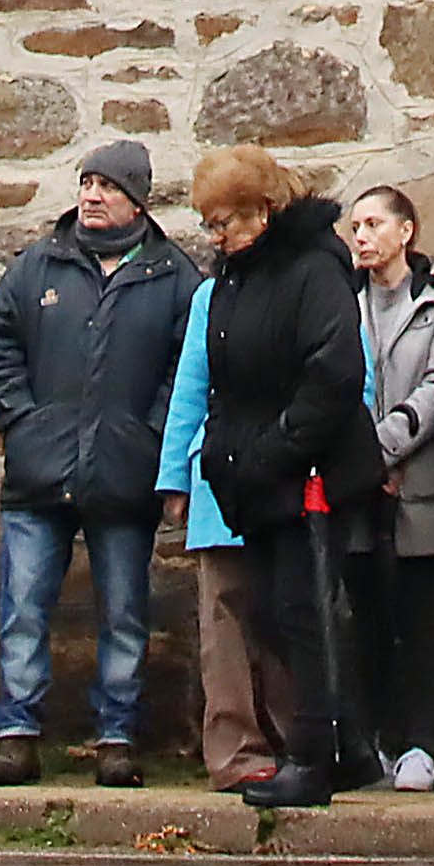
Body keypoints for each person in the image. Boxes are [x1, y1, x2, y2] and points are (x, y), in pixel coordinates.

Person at [0, 139, 197, 790]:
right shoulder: (38, 265)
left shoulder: (173, 275)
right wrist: (25, 420)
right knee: (22, 609)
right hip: (39, 478)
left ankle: (117, 739)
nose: (92, 196)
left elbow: (187, 373)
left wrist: (148, 437)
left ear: (137, 200)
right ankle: (16, 737)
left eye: (107, 186)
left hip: (124, 480)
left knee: (125, 614)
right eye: (86, 183)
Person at [192, 144, 383, 811]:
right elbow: (224, 376)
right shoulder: (236, 277)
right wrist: (224, 453)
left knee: (307, 613)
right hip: (255, 473)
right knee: (272, 613)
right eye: (209, 225)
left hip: (309, 469)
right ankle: (351, 744)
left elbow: (333, 376)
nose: (216, 237)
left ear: (264, 212)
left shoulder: (314, 271)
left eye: (225, 223)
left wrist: (274, 449)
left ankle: (316, 753)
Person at [342, 179, 434, 794]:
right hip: (358, 486)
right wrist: (362, 460)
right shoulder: (343, 301)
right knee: (362, 617)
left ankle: (419, 743)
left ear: (405, 232)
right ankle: (368, 742)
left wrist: (386, 447)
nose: (362, 237)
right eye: (355, 227)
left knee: (419, 618)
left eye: (373, 225)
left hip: (422, 481)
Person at [155, 225, 275, 794]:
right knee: (222, 620)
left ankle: (299, 741)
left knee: (288, 614)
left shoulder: (312, 287)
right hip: (217, 476)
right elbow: (189, 389)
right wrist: (175, 476)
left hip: (286, 471)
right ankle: (235, 752)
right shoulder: (208, 297)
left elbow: (356, 379)